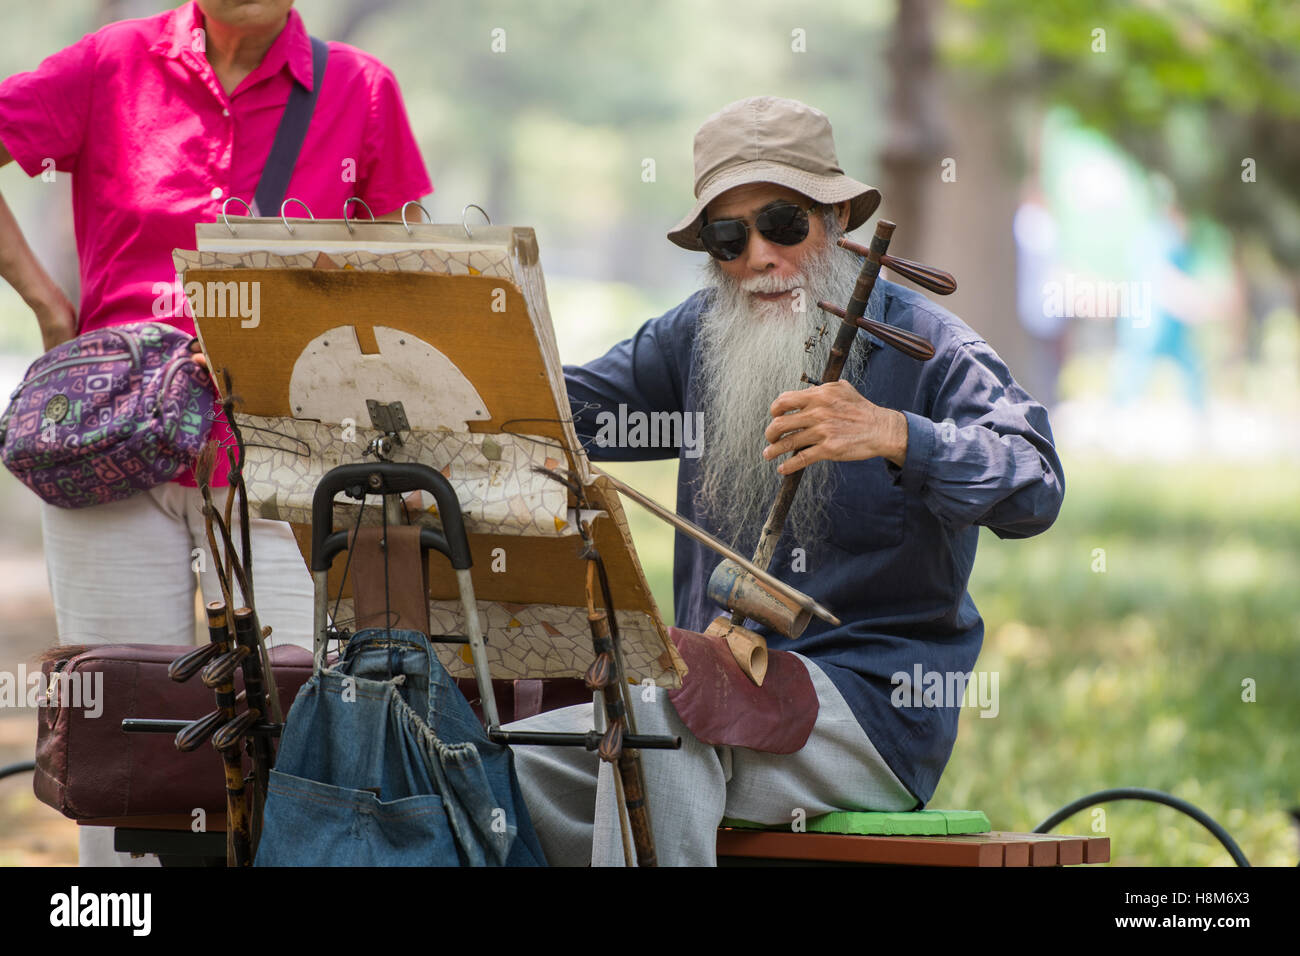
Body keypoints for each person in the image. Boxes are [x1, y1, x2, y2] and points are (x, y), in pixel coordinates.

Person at [506, 96, 1066, 866]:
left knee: (655, 711)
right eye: (729, 238)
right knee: (504, 756)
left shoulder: (930, 344)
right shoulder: (693, 336)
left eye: (783, 224)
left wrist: (896, 434)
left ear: (836, 220)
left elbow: (1035, 485)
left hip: (872, 709)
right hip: (705, 693)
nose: (759, 257)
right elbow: (557, 410)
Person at [0, 0, 432, 865]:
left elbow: (403, 276)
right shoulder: (109, 63)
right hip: (113, 444)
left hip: (286, 453)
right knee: (119, 735)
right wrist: (51, 306)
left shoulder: (361, 89)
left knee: (303, 727)